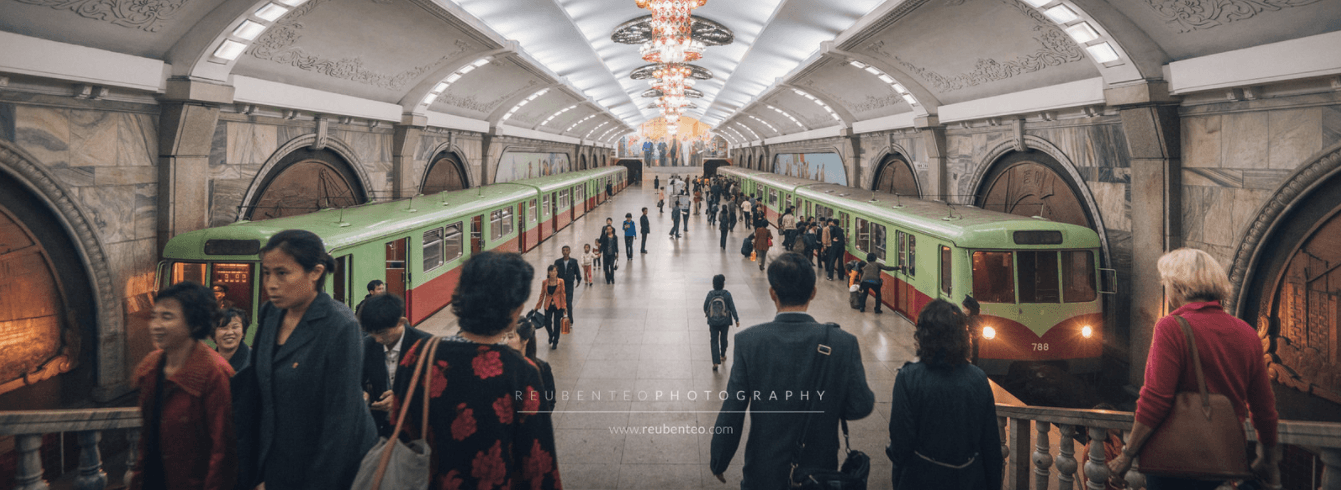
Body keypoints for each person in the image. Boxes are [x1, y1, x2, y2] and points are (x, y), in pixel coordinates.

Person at [1107, 248, 1280, 490]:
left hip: (1174, 462)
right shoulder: (1247, 334)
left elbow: (1155, 399)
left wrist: (1127, 454)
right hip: (1224, 457)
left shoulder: (1171, 328)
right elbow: (1264, 409)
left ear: (1177, 287)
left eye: (1167, 284)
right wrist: (1267, 459)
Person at [392, 252, 561, 490]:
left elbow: (400, 430)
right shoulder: (523, 373)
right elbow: (538, 464)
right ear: (516, 311)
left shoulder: (419, 355)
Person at [710, 253, 875, 489]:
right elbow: (861, 406)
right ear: (813, 293)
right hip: (819, 475)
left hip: (762, 473)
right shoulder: (842, 343)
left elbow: (732, 410)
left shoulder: (750, 341)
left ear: (772, 293)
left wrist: (719, 459)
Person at [243, 229, 377, 490]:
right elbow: (256, 389)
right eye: (267, 272)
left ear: (315, 272)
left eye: (282, 273)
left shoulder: (340, 326)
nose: (271, 284)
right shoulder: (271, 313)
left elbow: (341, 422)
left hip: (322, 466)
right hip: (275, 459)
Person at [886, 299, 1003, 490]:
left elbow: (900, 442)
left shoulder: (908, 378)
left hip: (920, 480)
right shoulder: (978, 378)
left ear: (922, 335)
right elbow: (990, 445)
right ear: (962, 336)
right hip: (969, 480)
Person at [130, 281, 237, 490]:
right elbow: (147, 440)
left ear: (194, 323)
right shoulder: (151, 367)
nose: (156, 325)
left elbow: (223, 453)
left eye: (167, 317)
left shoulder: (215, 373)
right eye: (155, 316)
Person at [358, 293, 429, 438]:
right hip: (381, 429)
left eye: (382, 333)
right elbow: (356, 380)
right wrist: (361, 394)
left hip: (417, 430)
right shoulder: (367, 345)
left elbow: (435, 392)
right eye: (372, 333)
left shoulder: (425, 345)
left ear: (401, 322)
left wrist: (401, 401)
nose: (378, 339)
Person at [506, 315, 556, 418]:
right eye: (504, 337)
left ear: (525, 340)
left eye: (510, 337)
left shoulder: (542, 369)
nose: (506, 341)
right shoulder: (501, 367)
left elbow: (549, 402)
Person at [702, 274, 740, 372]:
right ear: (723, 284)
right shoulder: (727, 294)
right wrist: (736, 319)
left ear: (713, 284)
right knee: (724, 338)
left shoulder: (710, 294)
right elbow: (732, 307)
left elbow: (705, 306)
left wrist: (709, 314)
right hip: (725, 321)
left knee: (714, 341)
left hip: (713, 322)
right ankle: (722, 355)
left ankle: (715, 362)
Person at [534, 265, 568, 349]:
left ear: (557, 272)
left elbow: (563, 294)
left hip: (558, 305)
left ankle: (555, 341)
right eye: (551, 271)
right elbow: (542, 295)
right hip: (548, 305)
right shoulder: (545, 282)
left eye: (555, 271)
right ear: (548, 272)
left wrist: (564, 306)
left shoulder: (561, 281)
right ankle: (550, 334)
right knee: (547, 322)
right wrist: (537, 306)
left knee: (557, 324)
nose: (553, 273)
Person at [213, 308, 251, 374]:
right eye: (224, 328)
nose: (229, 332)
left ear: (243, 332)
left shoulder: (255, 359)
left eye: (235, 327)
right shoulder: (208, 361)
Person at [554, 246, 581, 323]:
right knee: (560, 301)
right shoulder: (557, 262)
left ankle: (570, 319)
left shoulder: (574, 262)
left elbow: (577, 271)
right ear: (562, 252)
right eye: (564, 250)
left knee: (569, 302)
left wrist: (578, 279)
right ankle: (560, 318)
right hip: (560, 284)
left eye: (567, 250)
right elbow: (554, 272)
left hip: (569, 284)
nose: (565, 252)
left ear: (569, 251)